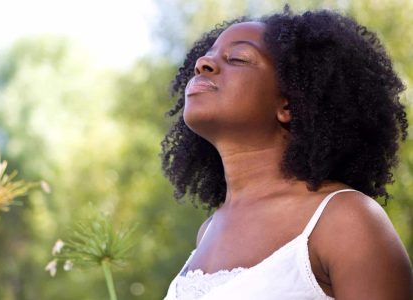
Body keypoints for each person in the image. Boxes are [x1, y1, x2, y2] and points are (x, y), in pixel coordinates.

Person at [161, 5, 412, 300]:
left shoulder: (344, 219)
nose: (203, 63)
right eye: (207, 56)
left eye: (238, 58)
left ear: (288, 105)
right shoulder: (208, 231)